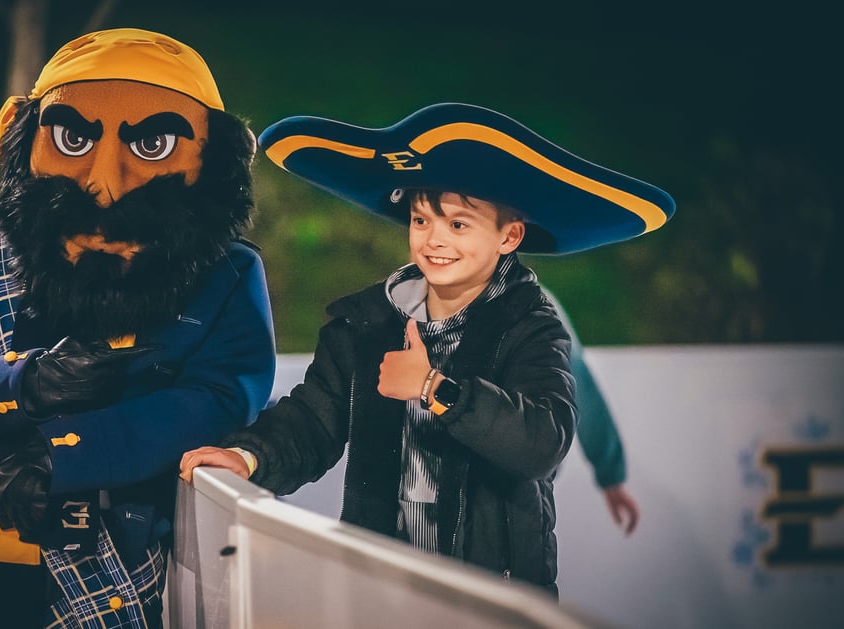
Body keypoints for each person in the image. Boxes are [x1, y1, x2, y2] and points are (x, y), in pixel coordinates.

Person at [181, 102, 674, 597]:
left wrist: (433, 388)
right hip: (381, 583)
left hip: (492, 593)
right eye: (420, 221)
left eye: (458, 225)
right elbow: (315, 418)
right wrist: (249, 456)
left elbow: (542, 443)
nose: (434, 240)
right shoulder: (367, 323)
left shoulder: (533, 327)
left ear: (510, 235)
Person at [0, 28, 276, 628]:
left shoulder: (224, 272)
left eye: (152, 144)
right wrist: (25, 382)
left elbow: (222, 398)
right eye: (72, 138)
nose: (103, 184)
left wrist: (64, 450)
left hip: (133, 565)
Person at [547, 289, 641, 535]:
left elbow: (577, 382)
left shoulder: (536, 301)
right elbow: (578, 381)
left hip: (521, 482)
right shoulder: (538, 298)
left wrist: (610, 473)